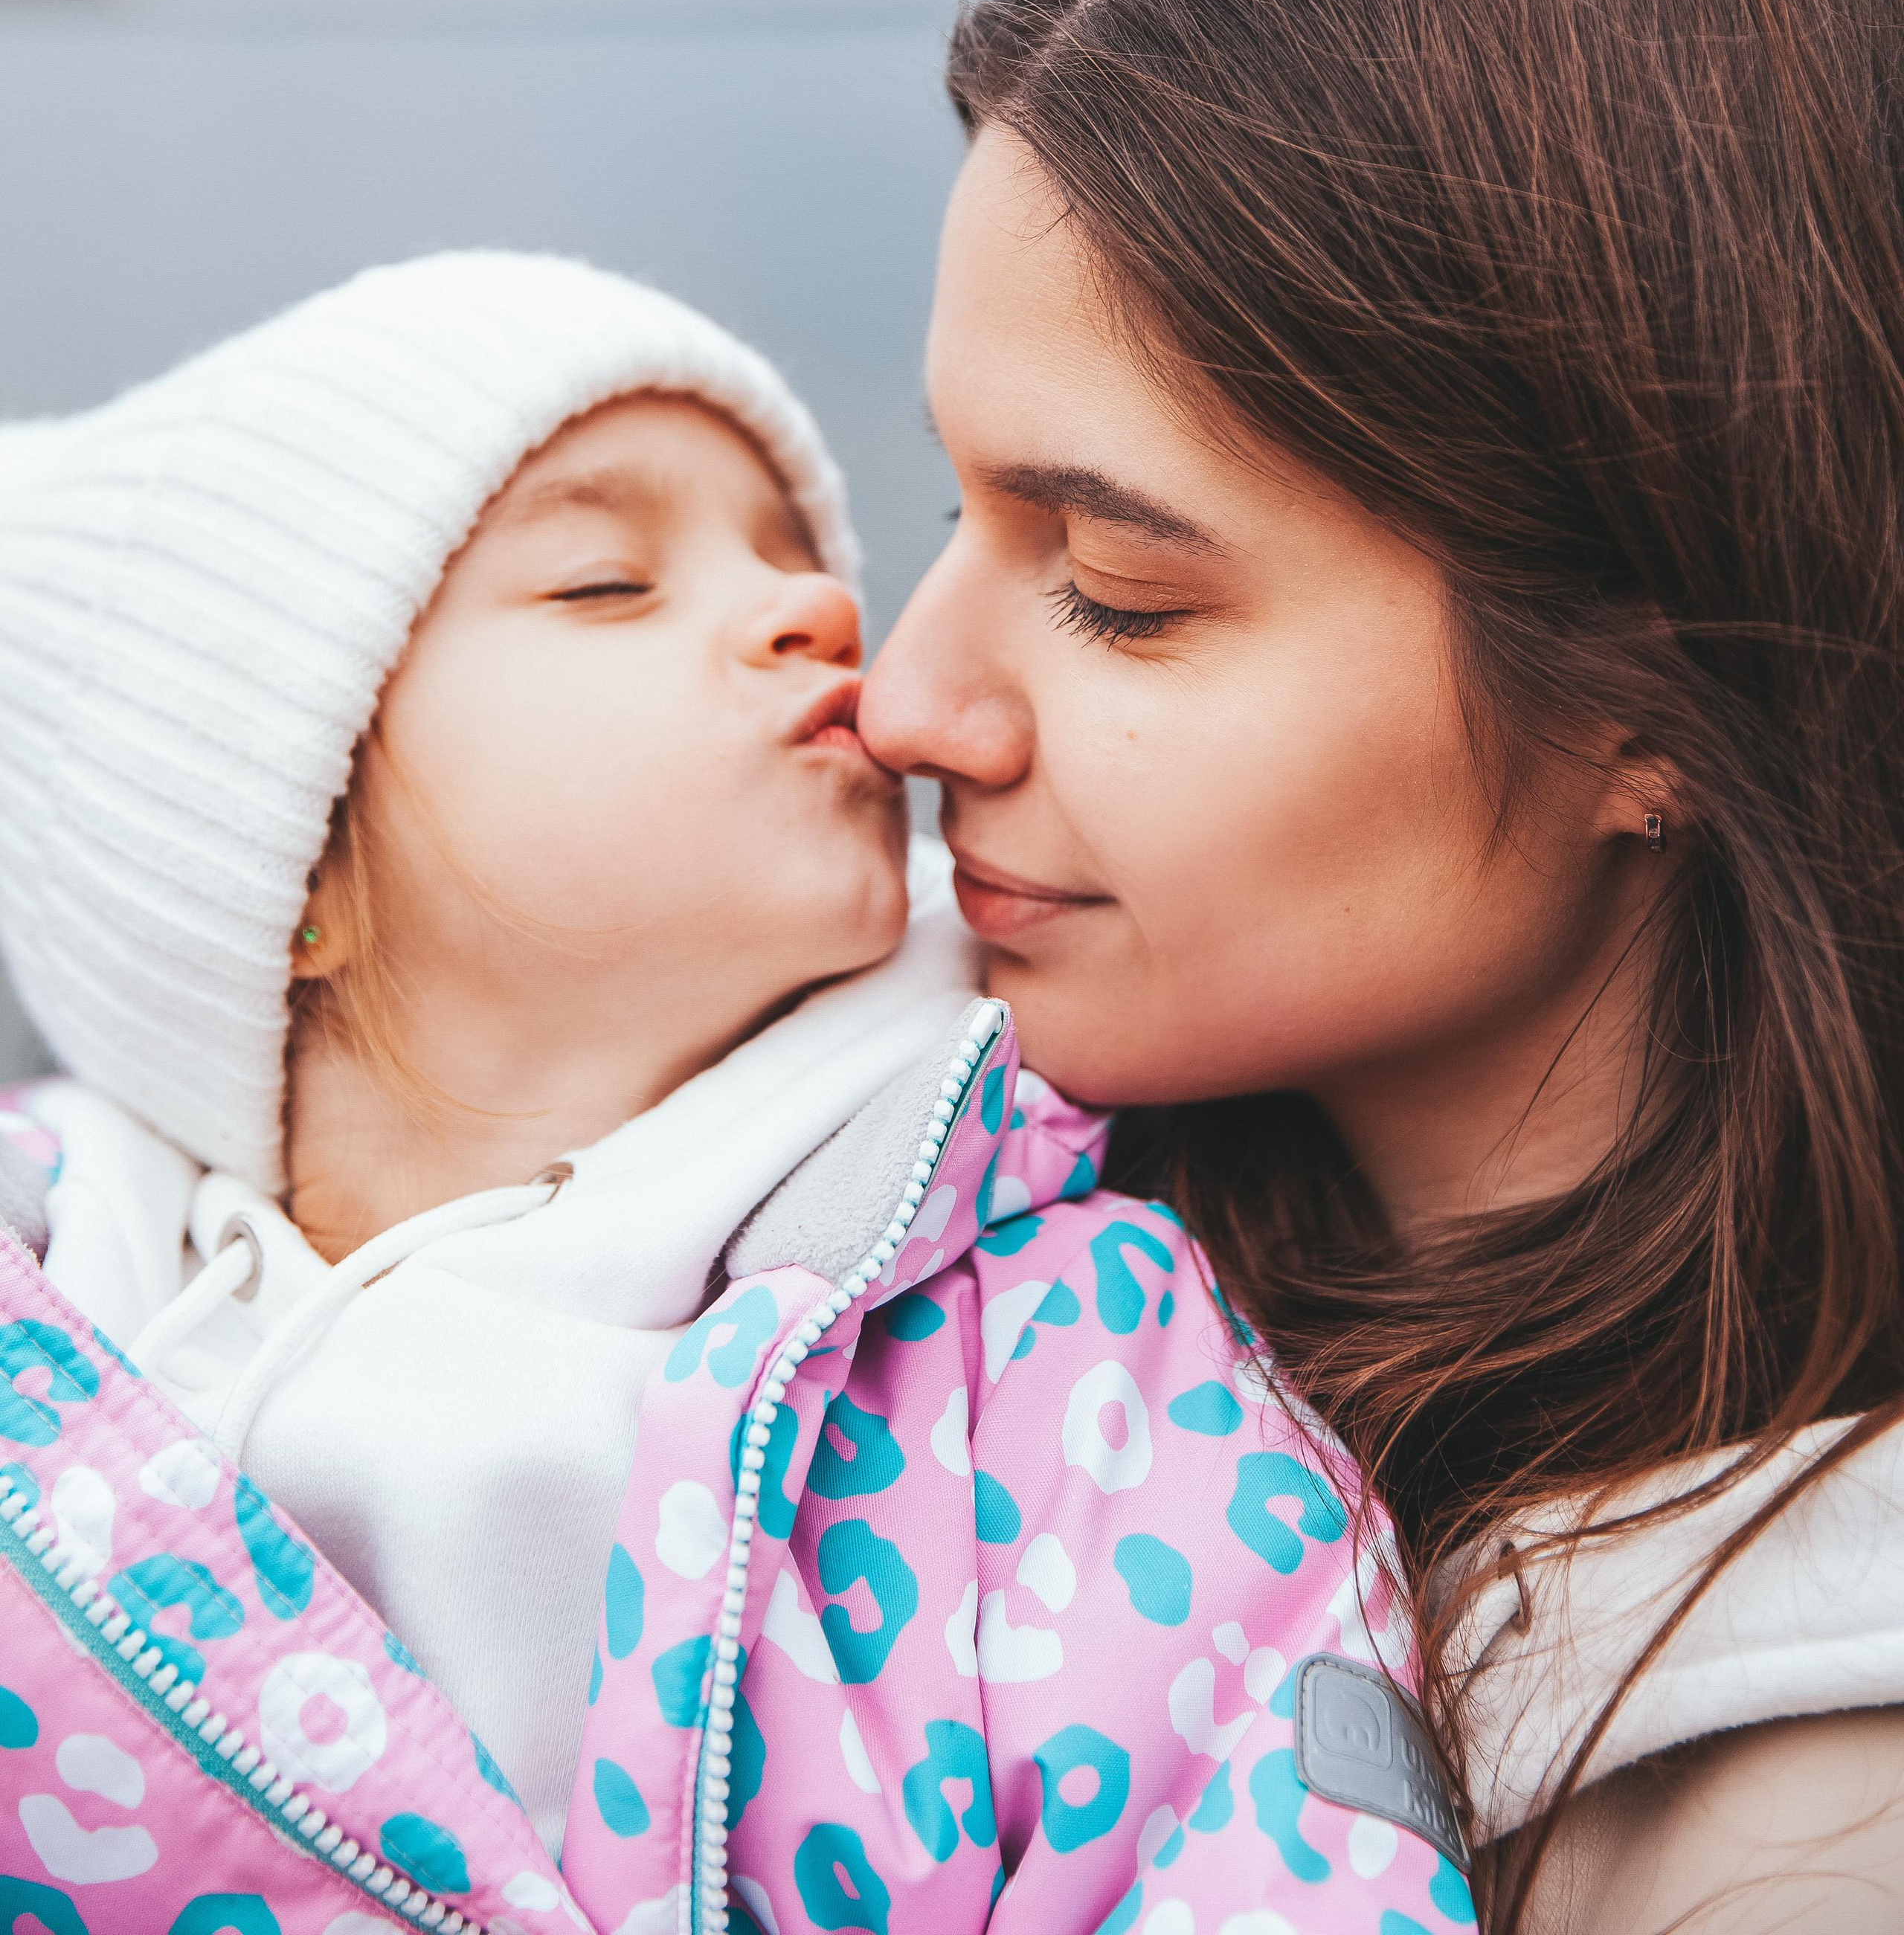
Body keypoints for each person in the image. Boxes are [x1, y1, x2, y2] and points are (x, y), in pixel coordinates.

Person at [0, 248, 1463, 1935]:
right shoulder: (75, 1326)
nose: (827, 612)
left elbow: (1268, 1838)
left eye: (793, 551)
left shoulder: (1050, 1343)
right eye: (608, 585)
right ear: (279, 870)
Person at [859, 0, 1904, 1934]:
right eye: (959, 503)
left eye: (1120, 588)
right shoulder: (901, 1202)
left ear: (1656, 692)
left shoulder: (1798, 1832)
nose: (906, 702)